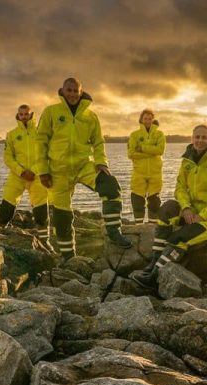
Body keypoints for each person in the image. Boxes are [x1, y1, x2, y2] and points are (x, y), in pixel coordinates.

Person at [36, 77, 132, 260]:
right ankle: (68, 256)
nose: (72, 94)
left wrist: (101, 162)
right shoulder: (51, 112)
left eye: (75, 91)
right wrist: (43, 170)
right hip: (58, 170)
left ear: (81, 92)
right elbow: (40, 142)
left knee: (111, 187)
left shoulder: (90, 116)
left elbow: (98, 142)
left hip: (83, 165)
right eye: (69, 90)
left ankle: (113, 232)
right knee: (62, 216)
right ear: (62, 91)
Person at [131, 124, 207, 288]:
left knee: (179, 237)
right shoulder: (187, 160)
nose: (200, 140)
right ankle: (154, 263)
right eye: (197, 137)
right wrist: (185, 208)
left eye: (204, 137)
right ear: (192, 139)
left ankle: (155, 276)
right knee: (165, 210)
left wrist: (202, 215)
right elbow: (180, 187)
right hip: (191, 209)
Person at [0, 104, 51, 247]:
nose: (24, 116)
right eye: (21, 114)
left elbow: (46, 154)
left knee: (40, 210)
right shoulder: (12, 134)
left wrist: (33, 170)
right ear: (18, 116)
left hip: (37, 175)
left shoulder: (41, 132)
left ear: (31, 114)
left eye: (26, 114)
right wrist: (21, 171)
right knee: (7, 205)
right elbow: (8, 157)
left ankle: (45, 241)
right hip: (17, 175)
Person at [127, 109, 166, 223]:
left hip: (155, 173)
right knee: (137, 198)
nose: (147, 121)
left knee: (154, 201)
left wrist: (143, 148)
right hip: (139, 172)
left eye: (150, 119)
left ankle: (152, 224)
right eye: (145, 118)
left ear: (153, 120)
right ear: (141, 119)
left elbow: (160, 150)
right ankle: (138, 223)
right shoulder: (134, 135)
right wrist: (151, 153)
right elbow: (131, 154)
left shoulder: (159, 134)